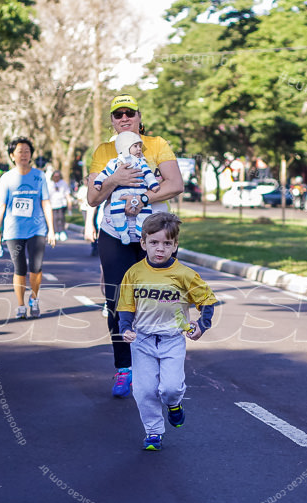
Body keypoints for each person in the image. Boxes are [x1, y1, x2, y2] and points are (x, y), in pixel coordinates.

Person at [85, 93, 184, 399]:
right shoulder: (103, 151)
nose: (124, 118)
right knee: (117, 300)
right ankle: (124, 367)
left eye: (130, 113)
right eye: (118, 114)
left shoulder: (156, 144)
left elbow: (174, 183)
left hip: (155, 236)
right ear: (112, 121)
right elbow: (92, 197)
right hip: (114, 234)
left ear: (140, 117)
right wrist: (114, 179)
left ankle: (158, 364)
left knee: (157, 301)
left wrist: (143, 198)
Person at [117, 213, 217, 451]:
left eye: (167, 243)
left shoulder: (184, 274)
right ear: (143, 243)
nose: (160, 249)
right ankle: (153, 433)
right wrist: (125, 327)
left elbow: (207, 300)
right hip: (142, 340)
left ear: (175, 245)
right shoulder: (134, 273)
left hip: (172, 340)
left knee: (170, 389)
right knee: (144, 390)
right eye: (154, 243)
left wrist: (202, 325)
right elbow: (126, 305)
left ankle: (174, 404)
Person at [0, 137, 56, 321]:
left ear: (31, 155)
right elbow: (1, 206)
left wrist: (51, 229)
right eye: (20, 151)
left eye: (27, 151)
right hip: (13, 231)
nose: (24, 155)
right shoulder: (6, 178)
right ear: (12, 156)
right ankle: (20, 305)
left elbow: (45, 202)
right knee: (20, 268)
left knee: (36, 267)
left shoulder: (39, 176)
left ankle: (34, 299)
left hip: (37, 229)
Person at [93, 131, 160, 244]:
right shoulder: (116, 162)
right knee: (117, 212)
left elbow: (148, 173)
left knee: (145, 211)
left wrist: (153, 184)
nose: (139, 149)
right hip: (120, 195)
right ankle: (123, 233)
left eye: (140, 146)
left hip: (140, 192)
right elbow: (105, 173)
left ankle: (140, 232)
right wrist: (98, 181)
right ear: (124, 147)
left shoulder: (141, 162)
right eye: (135, 146)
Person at [48, 169, 71, 238]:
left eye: (58, 176)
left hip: (61, 204)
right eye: (55, 176)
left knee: (61, 217)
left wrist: (69, 203)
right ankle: (55, 231)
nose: (56, 178)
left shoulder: (63, 183)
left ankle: (62, 231)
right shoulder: (49, 184)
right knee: (54, 218)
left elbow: (67, 194)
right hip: (53, 204)